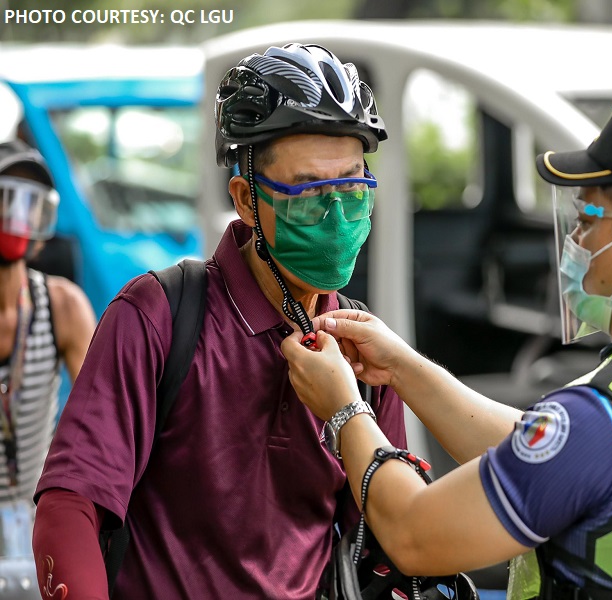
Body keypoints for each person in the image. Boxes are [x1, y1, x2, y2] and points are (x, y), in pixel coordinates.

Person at [282, 88, 612, 599]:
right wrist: (403, 367)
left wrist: (344, 410)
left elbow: (411, 534)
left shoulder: (601, 426)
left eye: (588, 220)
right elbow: (545, 458)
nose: (574, 239)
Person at [31, 43, 406, 600]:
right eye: (307, 195)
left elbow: (392, 532)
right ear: (246, 200)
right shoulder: (157, 316)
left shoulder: (366, 350)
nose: (335, 216)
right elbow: (70, 503)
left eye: (351, 189)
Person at [0, 140, 95, 594]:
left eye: (30, 203)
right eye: (7, 198)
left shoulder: (61, 306)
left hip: (37, 520)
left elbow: (105, 418)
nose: (17, 215)